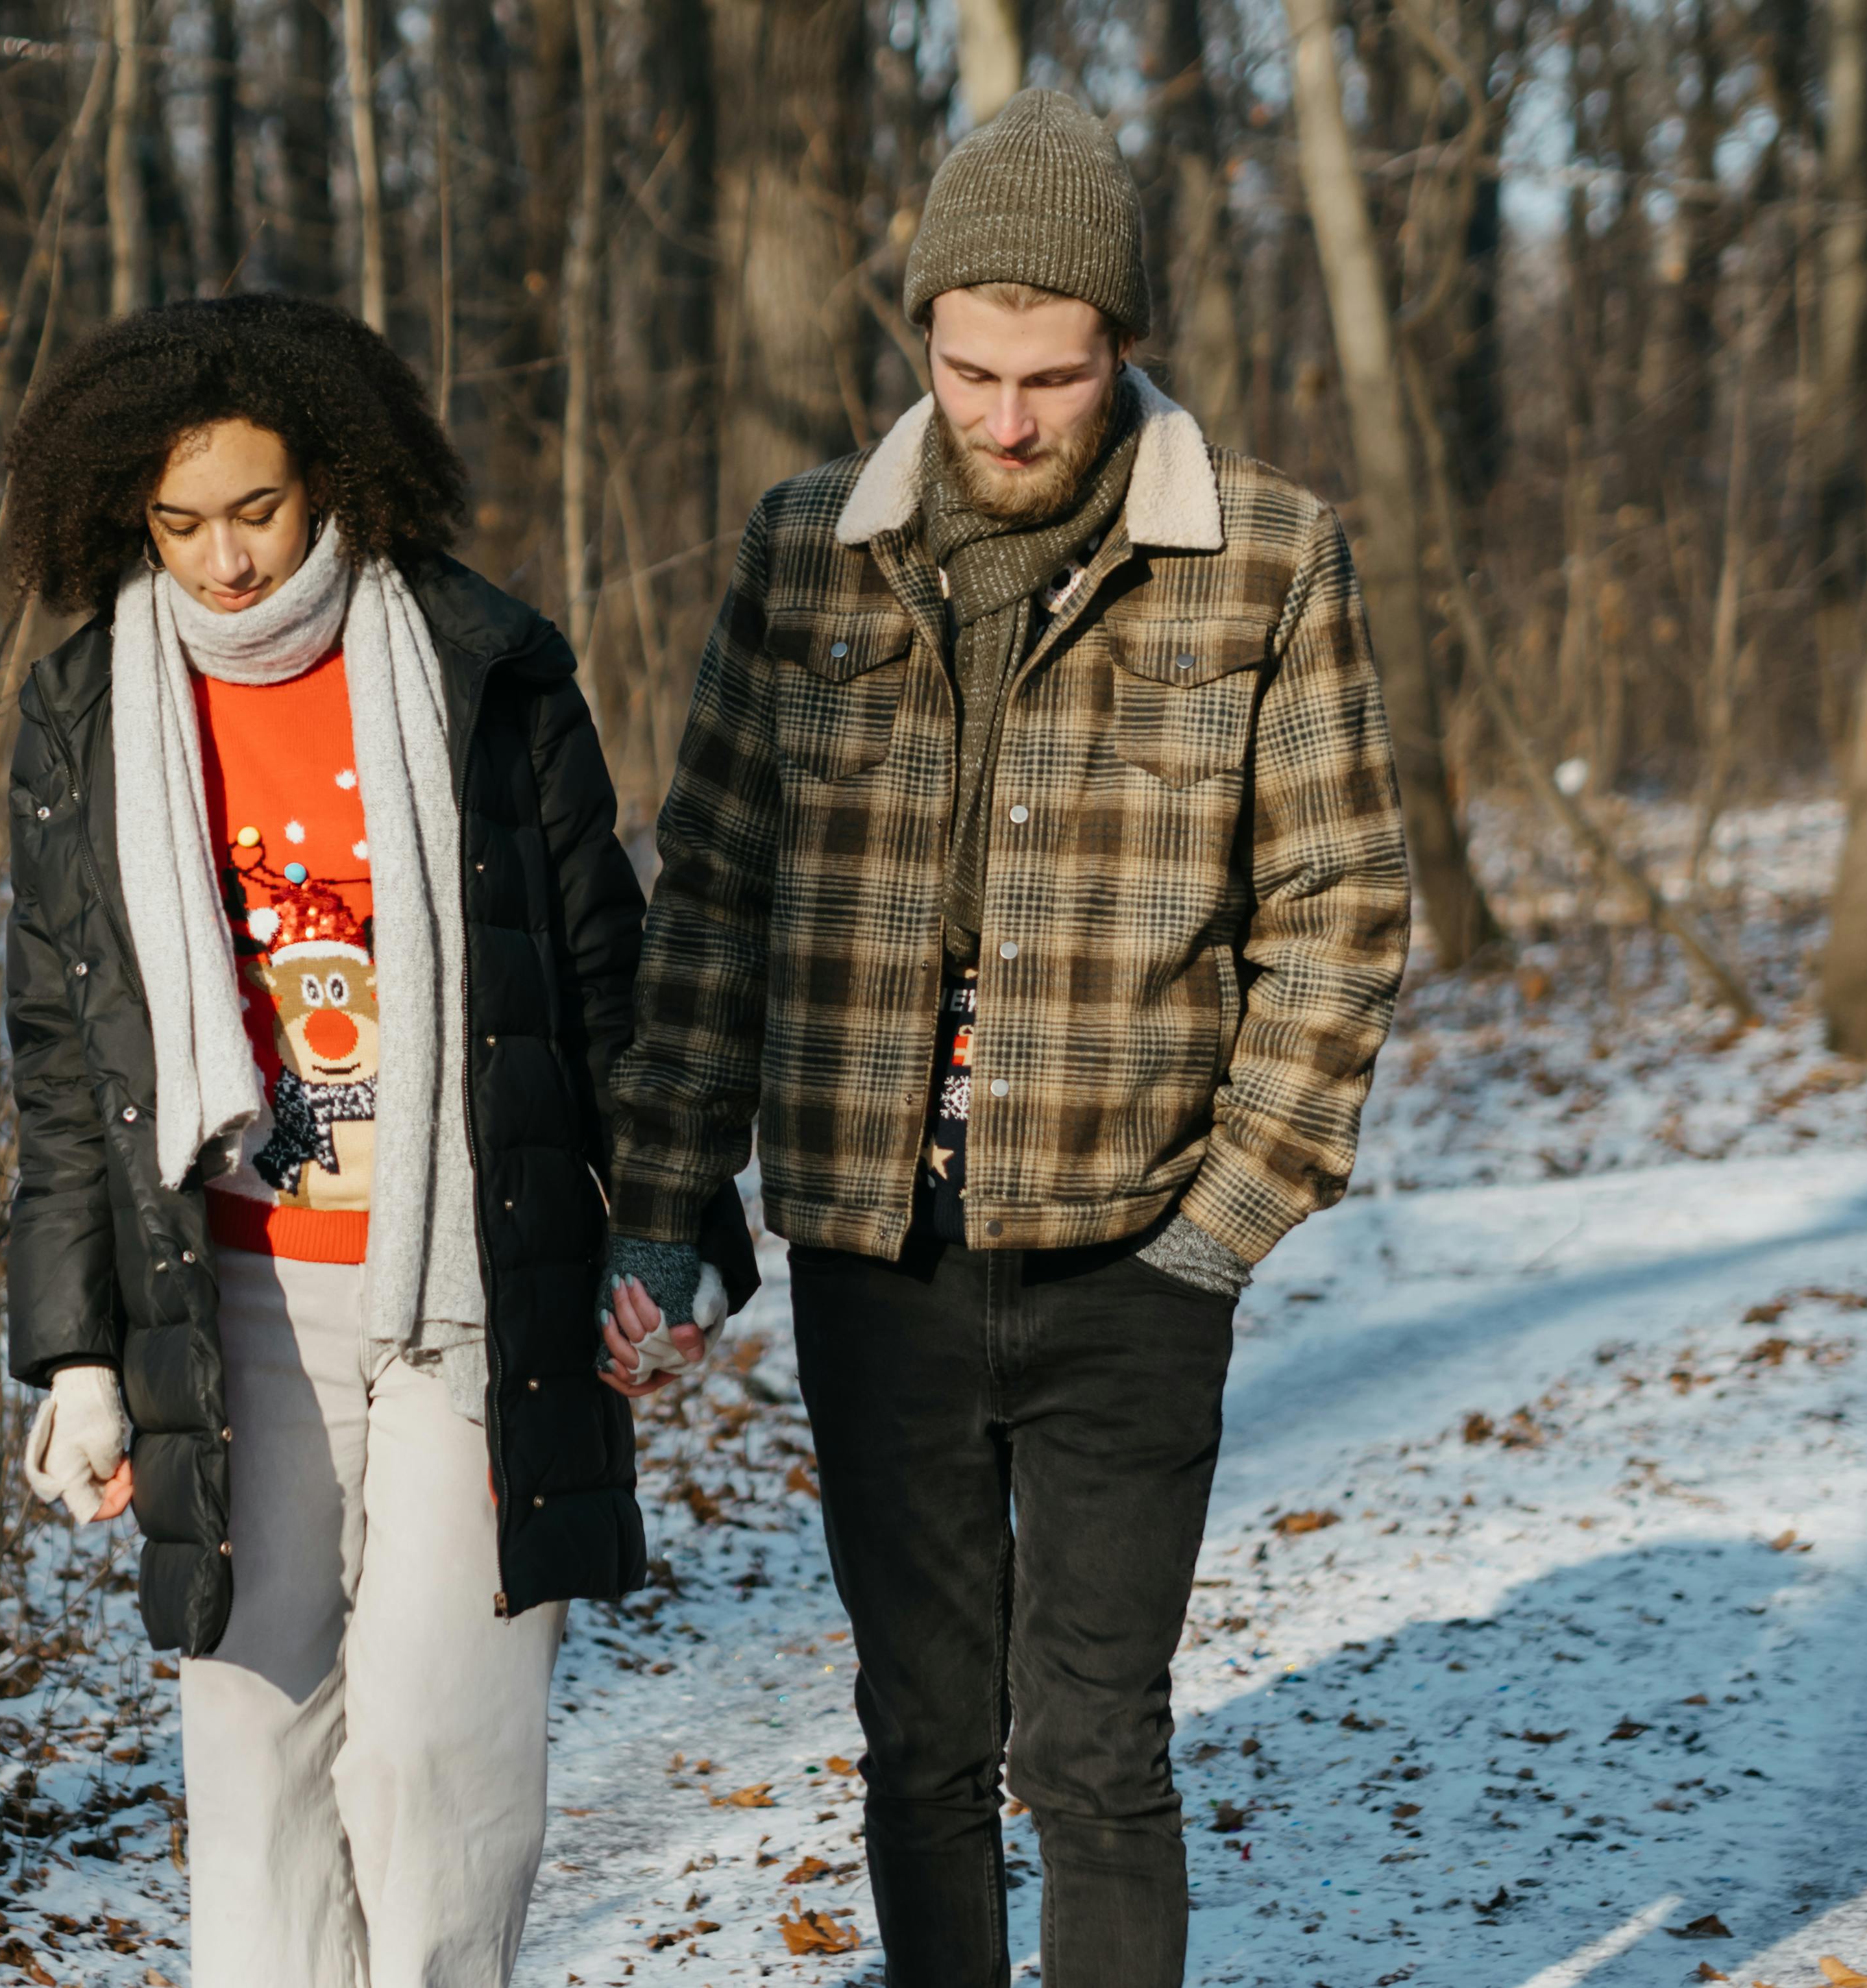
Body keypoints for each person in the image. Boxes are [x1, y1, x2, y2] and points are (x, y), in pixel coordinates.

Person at [594, 92, 1412, 1987]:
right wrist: (659, 1204)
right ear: (925, 341)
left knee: (1096, 1749)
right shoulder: (811, 550)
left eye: (1056, 376)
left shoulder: (1266, 558)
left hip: (1137, 1253)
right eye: (973, 371)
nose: (1011, 418)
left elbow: (1342, 911)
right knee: (923, 1746)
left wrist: (1228, 1219)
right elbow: (712, 892)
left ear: (1124, 351)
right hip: (877, 1253)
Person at [0, 293, 753, 1988]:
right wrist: (71, 1350)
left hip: (467, 1294)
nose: (224, 558)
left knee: (433, 1748)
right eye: (180, 523)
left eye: (256, 508)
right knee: (253, 1762)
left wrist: (676, 1233)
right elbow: (69, 1061)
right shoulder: (81, 717)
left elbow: (602, 987)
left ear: (334, 478)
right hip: (224, 1302)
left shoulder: (486, 671)